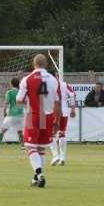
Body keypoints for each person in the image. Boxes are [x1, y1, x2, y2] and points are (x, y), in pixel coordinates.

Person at [16, 54, 61, 188]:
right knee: (41, 148)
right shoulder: (54, 80)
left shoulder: (27, 79)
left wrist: (28, 99)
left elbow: (19, 100)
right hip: (48, 116)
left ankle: (40, 175)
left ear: (33, 63)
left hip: (33, 115)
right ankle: (36, 178)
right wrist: (57, 121)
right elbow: (57, 103)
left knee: (30, 146)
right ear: (46, 64)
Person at [50, 76, 76, 166]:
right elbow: (72, 94)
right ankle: (62, 158)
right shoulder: (64, 84)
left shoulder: (48, 84)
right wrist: (73, 109)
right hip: (64, 112)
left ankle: (55, 155)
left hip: (52, 111)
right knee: (62, 133)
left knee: (50, 134)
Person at [0, 78, 24, 150]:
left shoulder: (9, 92)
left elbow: (6, 102)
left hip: (11, 114)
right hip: (20, 114)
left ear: (11, 84)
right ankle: (23, 148)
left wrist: (4, 111)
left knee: (2, 131)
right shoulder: (21, 92)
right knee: (20, 132)